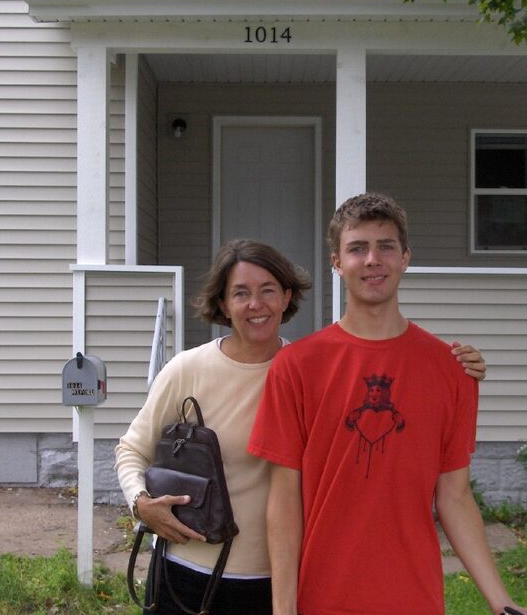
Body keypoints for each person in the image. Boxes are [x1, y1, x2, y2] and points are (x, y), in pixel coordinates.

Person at [115, 238, 488, 615]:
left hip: (277, 582)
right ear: (224, 304)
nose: (255, 305)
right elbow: (131, 449)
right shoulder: (187, 369)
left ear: (286, 296)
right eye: (240, 293)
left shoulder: (308, 370)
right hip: (187, 574)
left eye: (268, 291)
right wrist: (140, 503)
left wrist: (456, 366)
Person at [247, 194, 527, 615]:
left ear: (405, 258)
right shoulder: (295, 367)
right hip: (321, 597)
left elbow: (454, 497)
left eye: (385, 246)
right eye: (357, 248)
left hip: (414, 598)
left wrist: (502, 603)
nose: (372, 259)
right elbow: (283, 499)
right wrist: (283, 608)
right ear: (336, 262)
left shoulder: (451, 370)